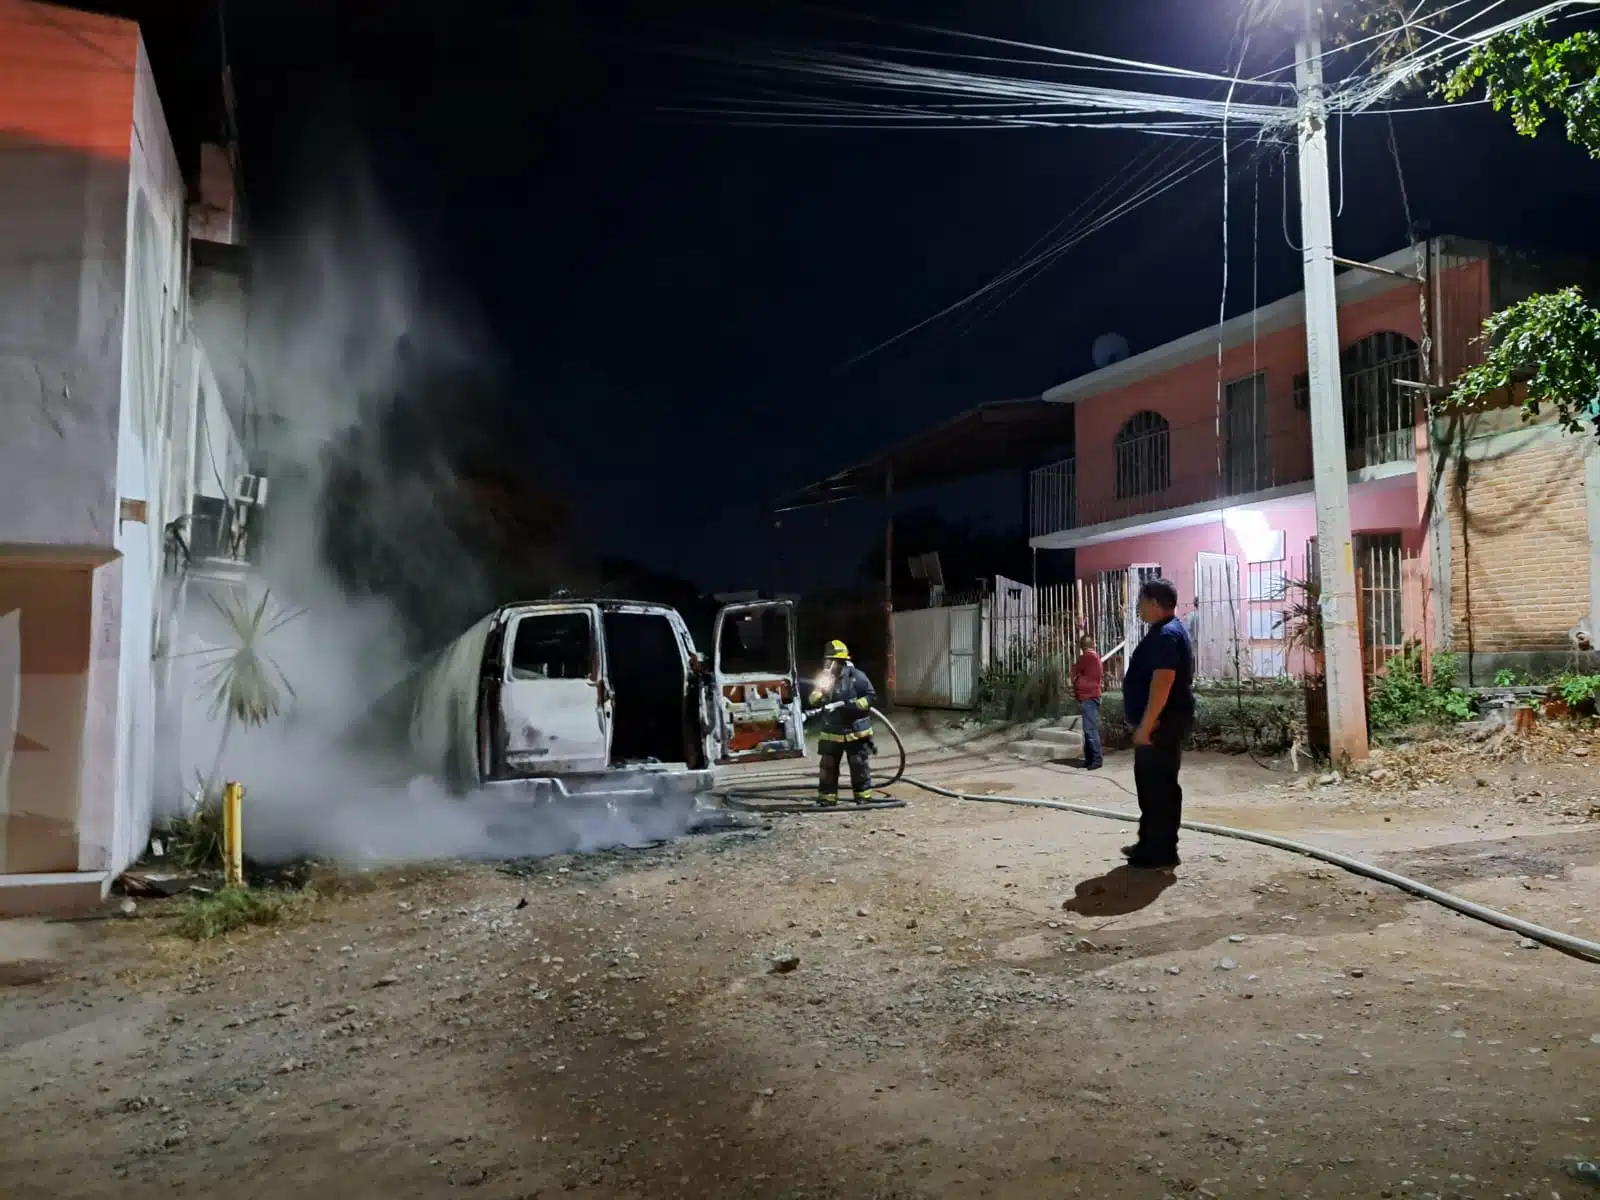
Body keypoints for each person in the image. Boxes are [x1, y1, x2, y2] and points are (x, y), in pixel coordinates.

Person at [1120, 578, 1194, 869]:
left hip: (1161, 726)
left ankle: (1160, 851)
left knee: (1158, 788)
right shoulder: (1165, 632)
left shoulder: (1167, 636)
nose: (1138, 608)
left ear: (1153, 604)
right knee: (1151, 786)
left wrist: (1146, 726)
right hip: (1160, 724)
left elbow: (1163, 682)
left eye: (1140, 603)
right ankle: (1149, 843)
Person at [809, 639, 876, 805]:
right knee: (828, 766)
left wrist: (859, 704)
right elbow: (814, 697)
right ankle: (827, 798)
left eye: (831, 661)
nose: (828, 665)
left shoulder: (857, 677)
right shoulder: (825, 678)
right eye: (827, 660)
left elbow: (871, 696)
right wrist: (815, 698)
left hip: (856, 731)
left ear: (841, 662)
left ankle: (863, 797)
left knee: (858, 765)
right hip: (832, 731)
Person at [1070, 633, 1104, 770]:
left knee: (1090, 730)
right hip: (1092, 696)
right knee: (1088, 729)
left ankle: (1096, 759)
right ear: (1093, 644)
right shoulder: (1095, 658)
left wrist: (1075, 681)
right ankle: (1090, 759)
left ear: (1082, 647)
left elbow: (1073, 672)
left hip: (1088, 697)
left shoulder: (1086, 658)